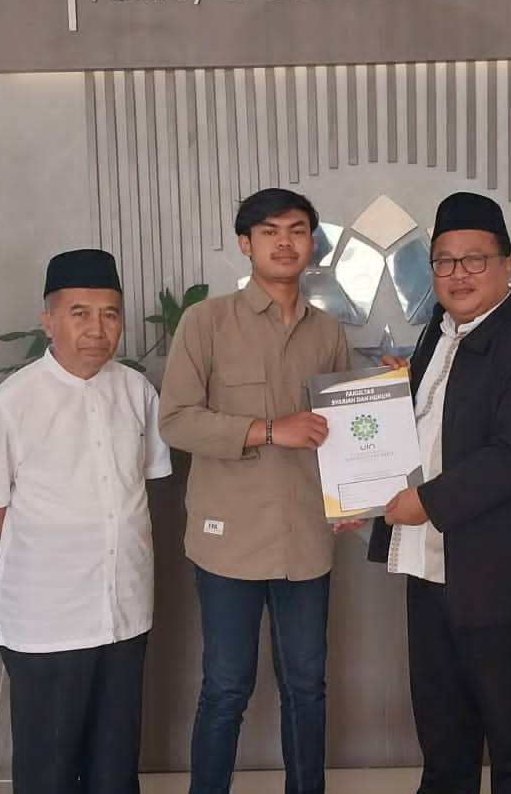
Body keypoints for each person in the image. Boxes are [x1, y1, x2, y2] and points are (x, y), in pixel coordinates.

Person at [367, 191, 511, 794]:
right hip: (432, 568)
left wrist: (426, 502)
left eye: (475, 259)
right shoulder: (437, 335)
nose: (459, 274)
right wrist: (365, 491)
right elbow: (426, 433)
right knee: (443, 732)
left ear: (508, 265)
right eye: (445, 261)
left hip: (499, 577)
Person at [158, 187, 355, 794]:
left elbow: (343, 431)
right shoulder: (206, 322)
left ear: (312, 243)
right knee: (225, 687)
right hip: (229, 544)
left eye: (297, 230)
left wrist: (353, 497)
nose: (285, 242)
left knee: (306, 687)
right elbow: (176, 421)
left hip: (306, 540)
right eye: (270, 232)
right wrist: (269, 430)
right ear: (246, 244)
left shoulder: (328, 332)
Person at [0, 248, 171, 794]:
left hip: (124, 608)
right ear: (49, 321)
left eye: (109, 314)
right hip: (49, 618)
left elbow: (145, 480)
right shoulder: (11, 404)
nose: (96, 329)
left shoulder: (137, 391)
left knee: (115, 766)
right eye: (79, 313)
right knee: (50, 769)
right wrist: (55, 558)